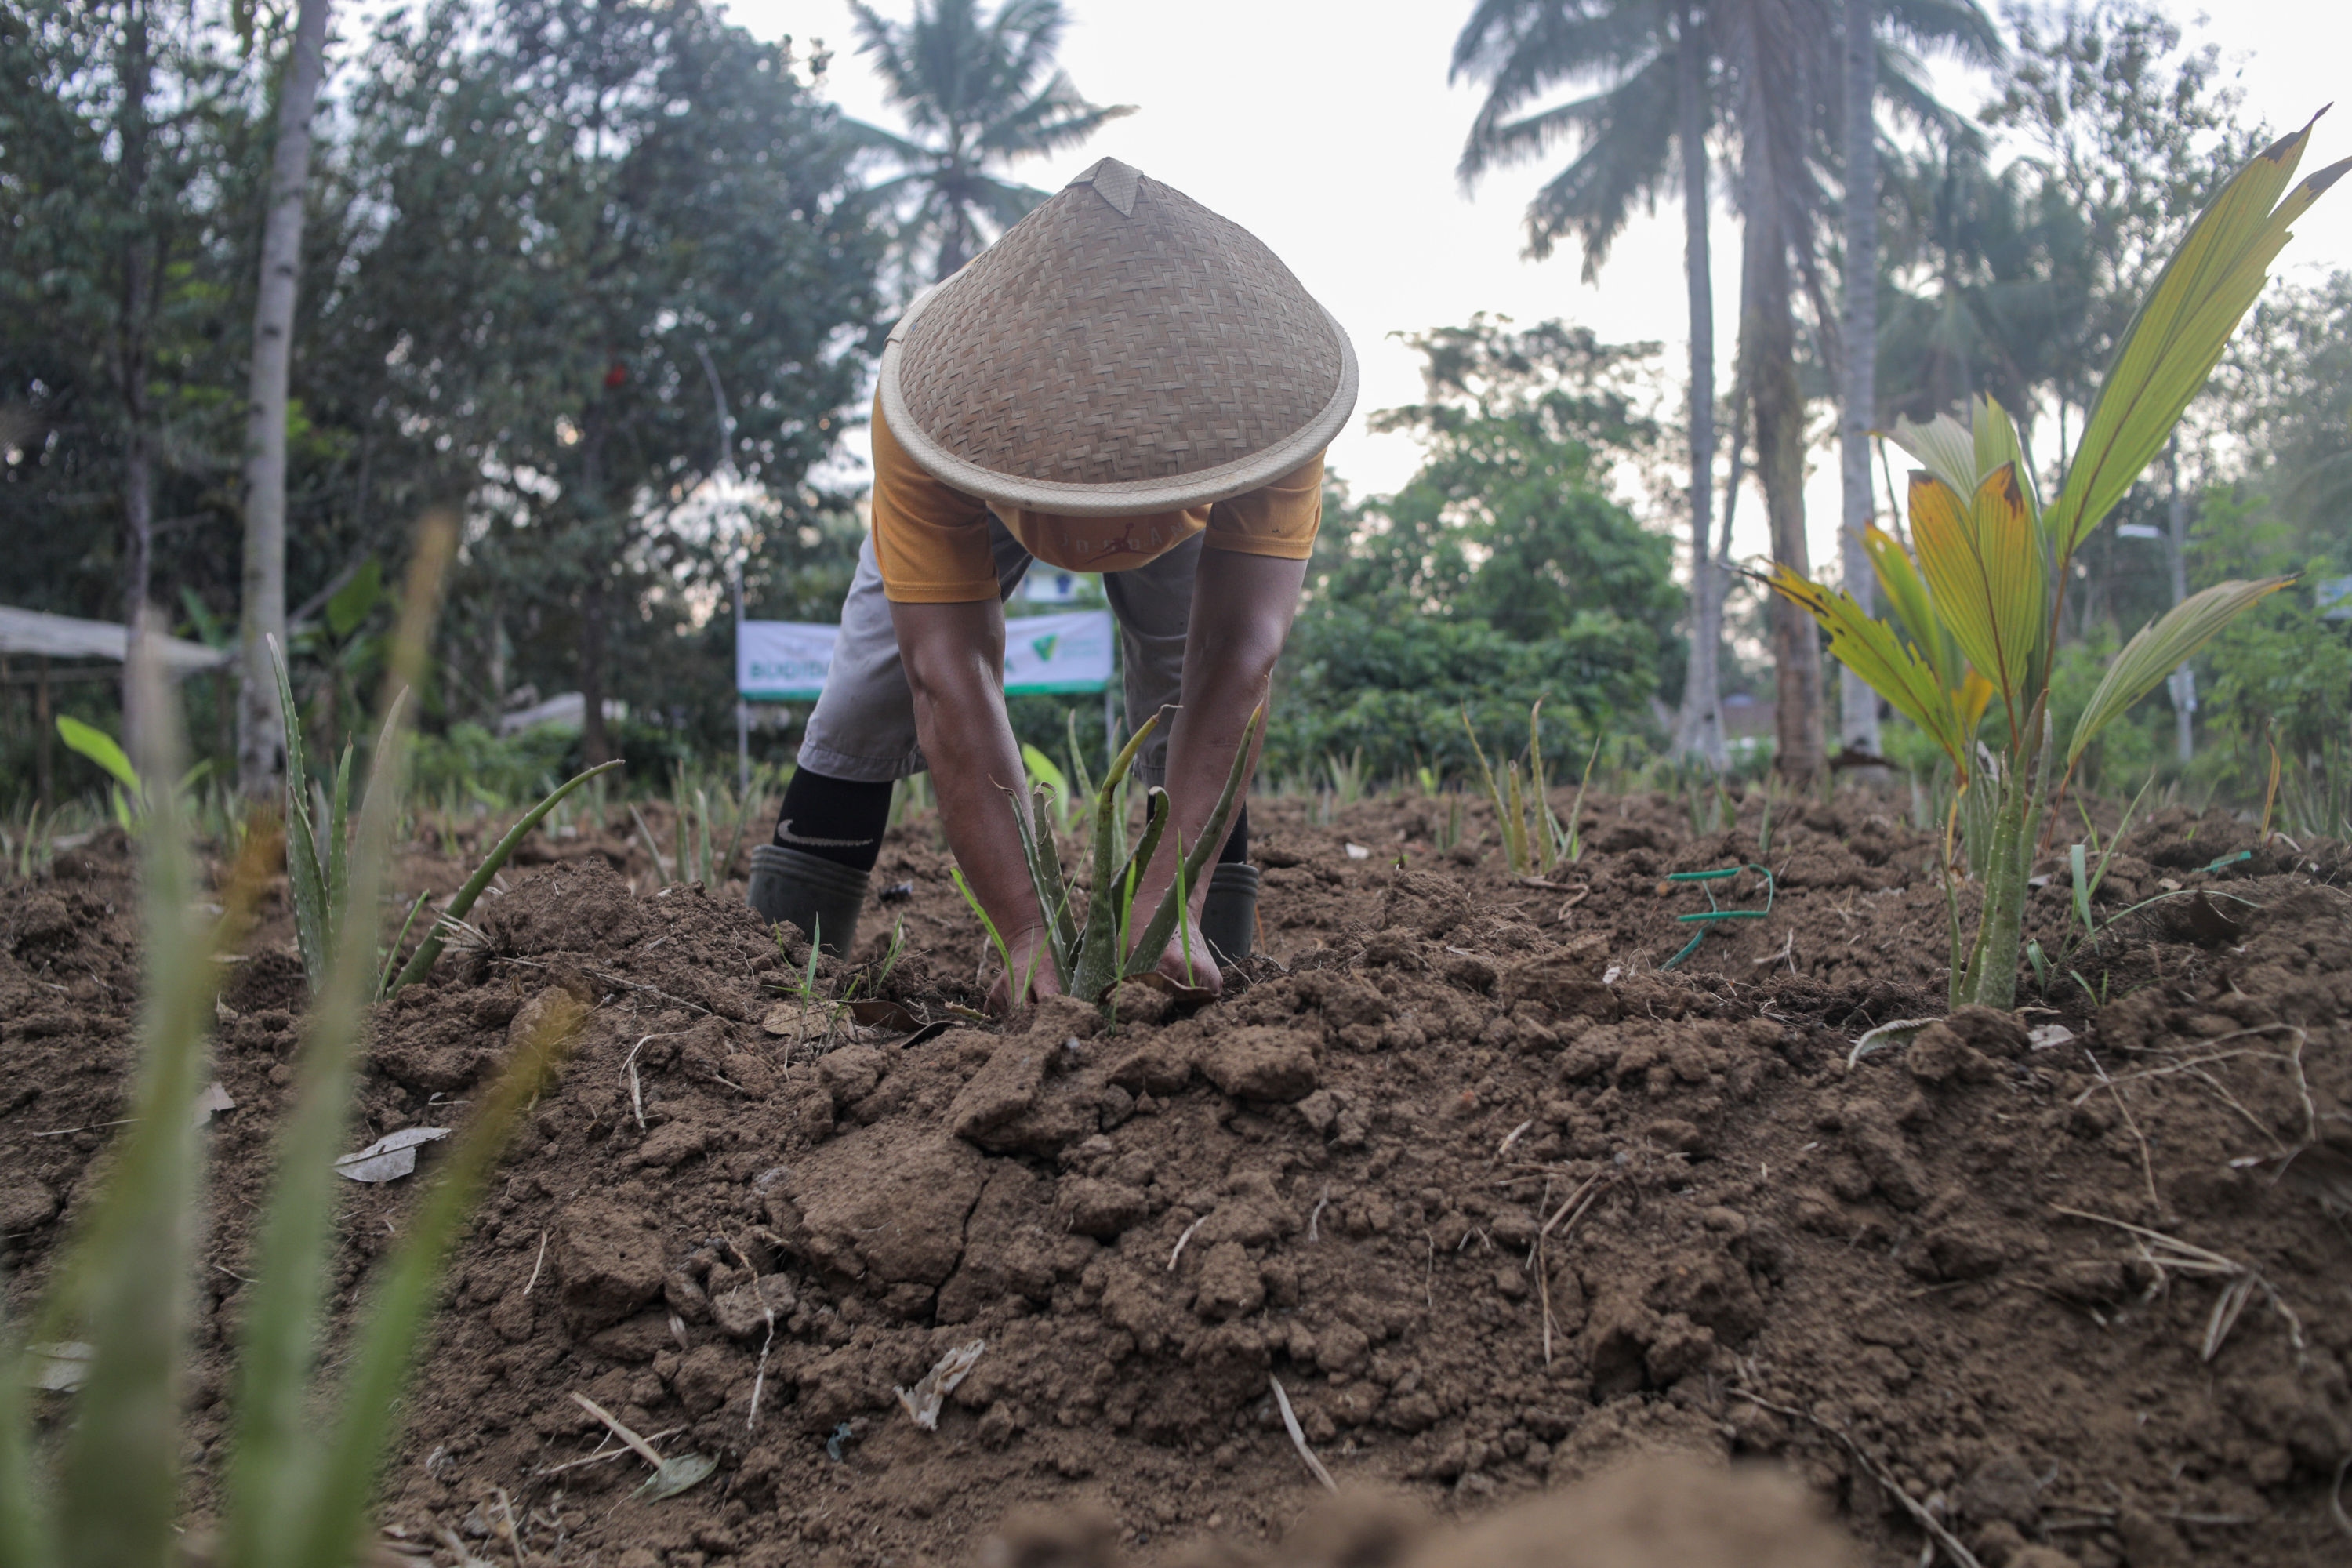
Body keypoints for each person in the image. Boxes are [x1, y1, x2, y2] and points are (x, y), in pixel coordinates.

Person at [746, 156, 1356, 1005]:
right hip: (987, 479)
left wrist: (1166, 907)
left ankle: (1208, 957)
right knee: (865, 695)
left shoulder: (1267, 408)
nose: (1117, 536)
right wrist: (1026, 929)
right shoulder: (932, 411)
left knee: (1187, 691)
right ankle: (769, 978)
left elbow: (1239, 654)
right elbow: (947, 671)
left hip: (1196, 490)